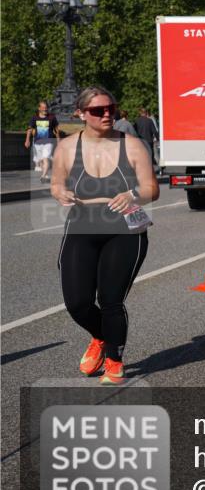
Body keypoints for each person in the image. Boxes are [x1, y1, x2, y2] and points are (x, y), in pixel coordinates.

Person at [50, 86, 159, 385]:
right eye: (98, 111)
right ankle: (100, 336)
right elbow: (56, 184)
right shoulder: (68, 147)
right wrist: (59, 192)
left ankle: (114, 357)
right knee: (77, 302)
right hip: (82, 227)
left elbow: (152, 189)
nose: (107, 114)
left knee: (110, 300)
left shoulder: (133, 145)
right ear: (82, 114)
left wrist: (133, 194)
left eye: (111, 107)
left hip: (124, 230)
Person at [25, 100, 60, 182]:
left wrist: (59, 141)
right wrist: (27, 140)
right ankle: (46, 174)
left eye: (46, 108)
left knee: (46, 158)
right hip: (38, 143)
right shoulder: (34, 118)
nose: (45, 109)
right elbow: (29, 130)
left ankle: (43, 176)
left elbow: (56, 130)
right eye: (43, 108)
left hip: (49, 142)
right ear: (39, 108)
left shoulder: (52, 117)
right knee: (41, 160)